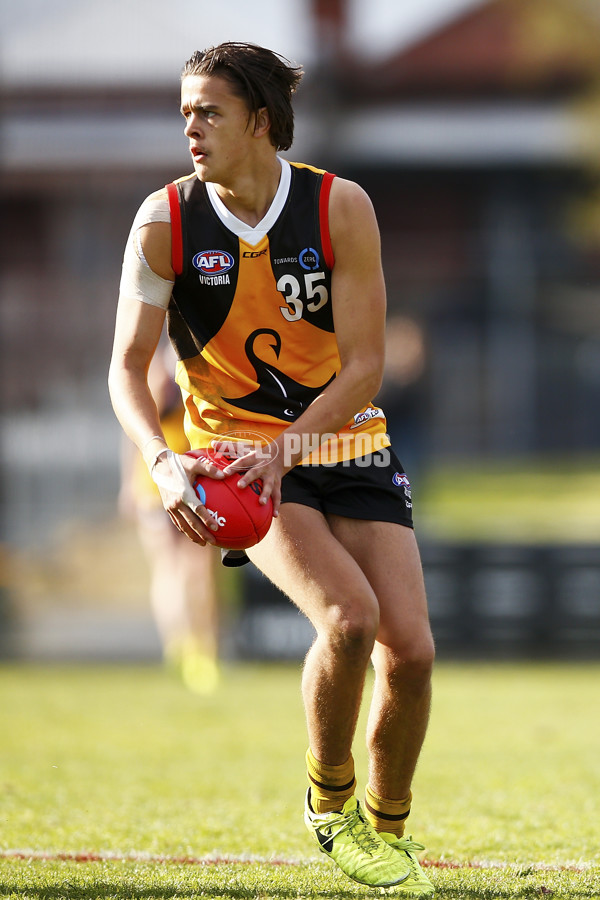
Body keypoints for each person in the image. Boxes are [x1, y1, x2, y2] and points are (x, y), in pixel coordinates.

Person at [108, 42, 435, 896]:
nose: (190, 125)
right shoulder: (163, 222)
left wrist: (292, 443)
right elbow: (125, 367)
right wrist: (161, 461)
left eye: (208, 110)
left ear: (260, 122)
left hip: (347, 444)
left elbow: (365, 363)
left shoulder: (340, 206)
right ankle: (330, 808)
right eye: (184, 110)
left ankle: (389, 831)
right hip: (241, 468)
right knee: (349, 620)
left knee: (414, 655)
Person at [118, 341, 220, 694]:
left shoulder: (171, 364)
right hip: (167, 479)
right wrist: (130, 484)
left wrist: (128, 484)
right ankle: (191, 649)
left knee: (183, 569)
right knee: (182, 568)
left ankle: (187, 648)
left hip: (175, 478)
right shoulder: (172, 367)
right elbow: (139, 431)